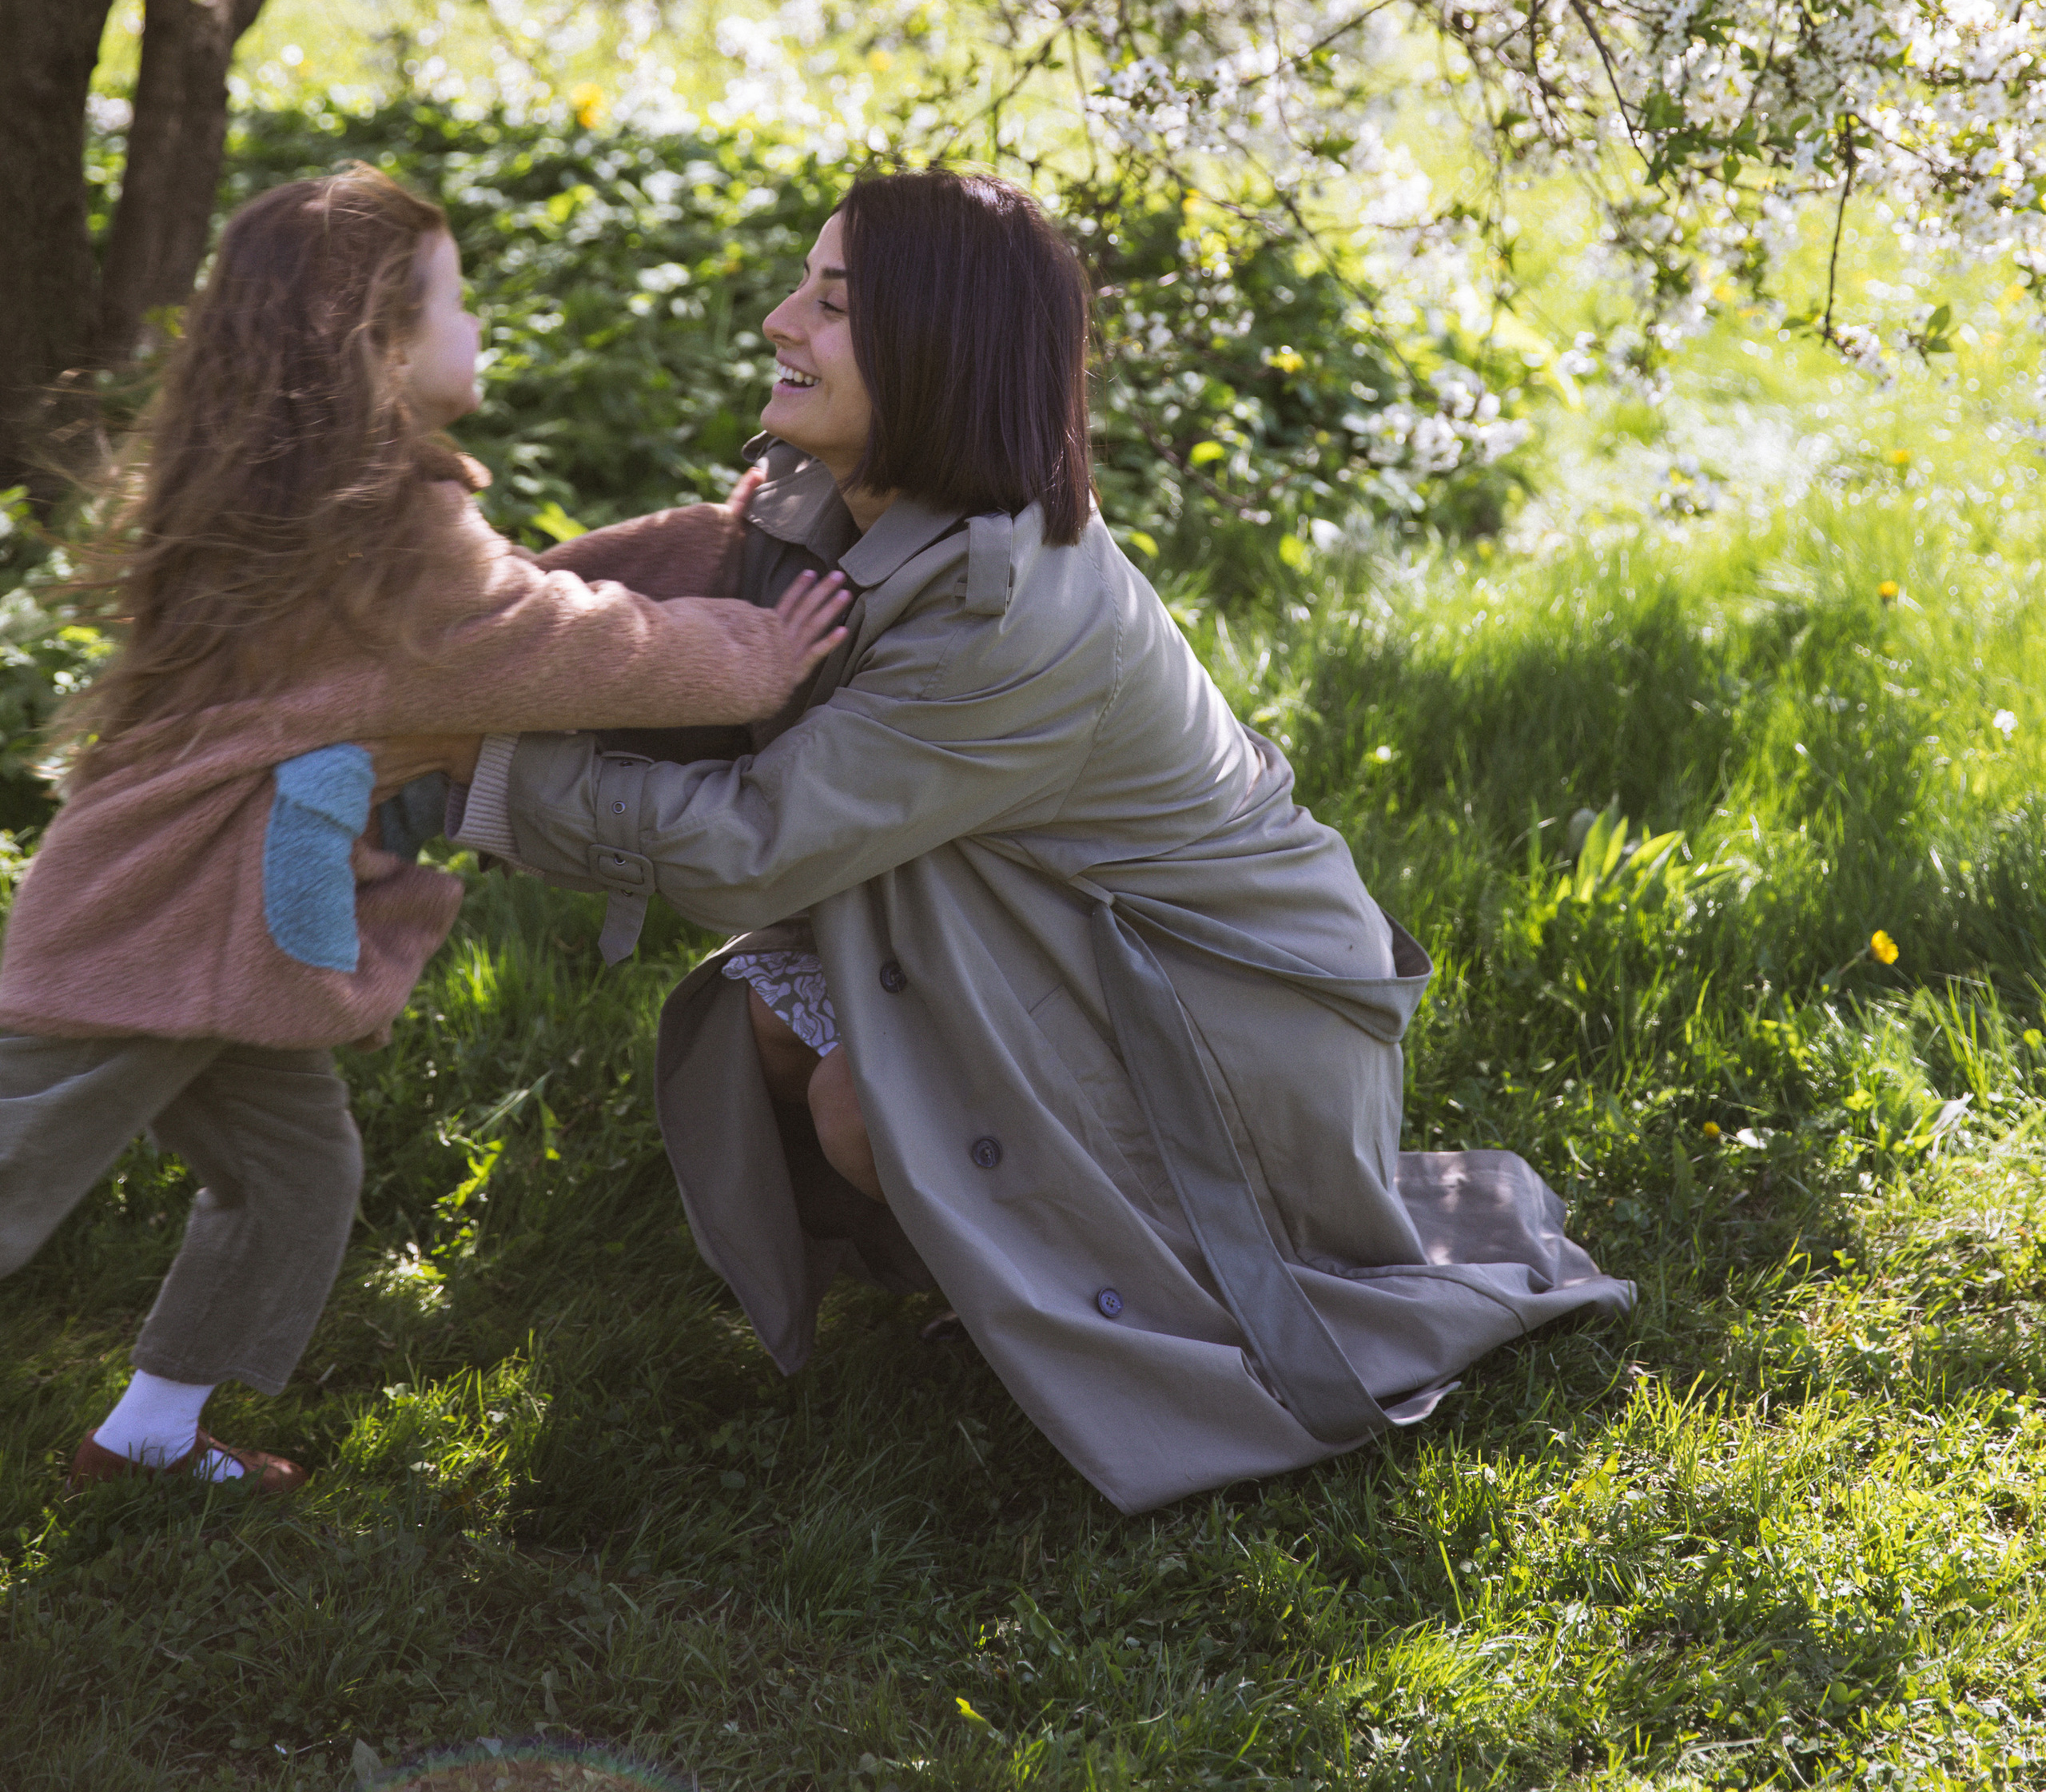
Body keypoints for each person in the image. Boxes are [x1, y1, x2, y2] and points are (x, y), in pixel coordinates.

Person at [444, 172, 1632, 1516]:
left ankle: (1115, 1296)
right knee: (772, 1038)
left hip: (1222, 1011)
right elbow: (694, 587)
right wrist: (467, 644)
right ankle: (1029, 1263)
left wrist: (460, 765)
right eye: (802, 287)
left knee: (855, 1103)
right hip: (1089, 943)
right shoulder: (854, 499)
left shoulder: (1014, 611)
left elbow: (755, 849)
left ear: (938, 352)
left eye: (830, 306)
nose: (781, 321)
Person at [0, 166, 846, 1495]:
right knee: (17, 1152)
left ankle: (151, 1431)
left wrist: (710, 548)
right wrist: (753, 649)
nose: (476, 322)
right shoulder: (395, 533)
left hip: (233, 935)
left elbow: (534, 594)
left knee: (294, 1174)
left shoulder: (321, 506)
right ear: (380, 345)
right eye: (456, 299)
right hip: (158, 917)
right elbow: (559, 641)